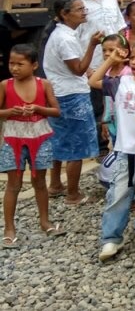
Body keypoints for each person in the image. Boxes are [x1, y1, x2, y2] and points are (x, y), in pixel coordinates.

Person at [89, 40, 135, 261]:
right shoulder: (121, 82)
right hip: (125, 150)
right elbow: (93, 80)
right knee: (119, 194)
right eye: (133, 58)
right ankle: (111, 238)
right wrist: (111, 60)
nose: (134, 62)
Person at [1, 44, 64, 248]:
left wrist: (38, 108)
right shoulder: (5, 85)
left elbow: (56, 111)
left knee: (40, 182)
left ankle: (45, 221)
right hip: (13, 138)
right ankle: (9, 228)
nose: (14, 68)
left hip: (40, 137)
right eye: (11, 63)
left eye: (20, 64)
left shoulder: (44, 84)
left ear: (34, 65)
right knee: (14, 184)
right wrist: (9, 112)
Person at [43, 0, 102, 205]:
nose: (84, 12)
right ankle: (73, 194)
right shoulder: (65, 39)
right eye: (79, 9)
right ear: (64, 14)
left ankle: (55, 184)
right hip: (71, 95)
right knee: (76, 145)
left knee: (60, 140)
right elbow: (78, 69)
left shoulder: (62, 34)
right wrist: (93, 45)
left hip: (59, 92)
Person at [75, 0, 127, 154]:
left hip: (117, 64)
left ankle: (120, 144)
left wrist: (124, 56)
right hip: (94, 64)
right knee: (98, 107)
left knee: (118, 103)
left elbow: (121, 28)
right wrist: (87, 68)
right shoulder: (78, 3)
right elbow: (75, 38)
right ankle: (101, 149)